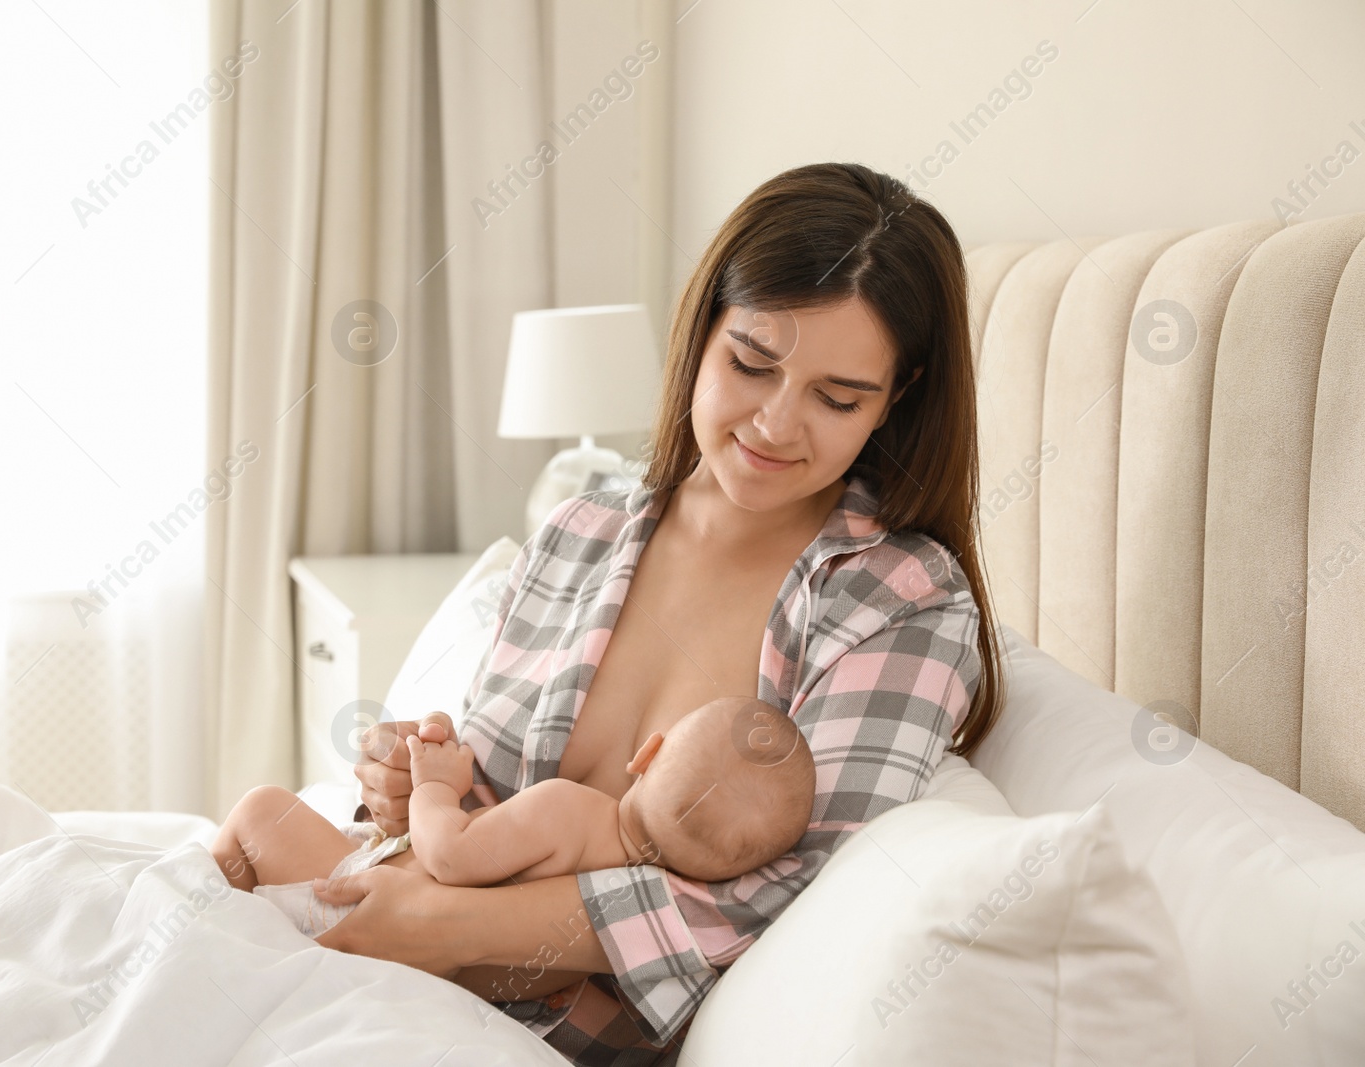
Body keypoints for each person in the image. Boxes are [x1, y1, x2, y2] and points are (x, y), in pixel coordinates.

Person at [308, 161, 1006, 1065]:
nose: (775, 425)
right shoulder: (579, 531)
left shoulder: (898, 601)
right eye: (751, 363)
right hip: (377, 972)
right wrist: (408, 788)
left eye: (839, 397)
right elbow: (479, 797)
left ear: (899, 396)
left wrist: (451, 923)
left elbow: (784, 888)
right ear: (703, 328)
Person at [211, 695, 815, 1003]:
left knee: (260, 809)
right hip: (437, 980)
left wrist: (434, 787)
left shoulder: (570, 808)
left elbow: (450, 855)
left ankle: (212, 912)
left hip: (358, 905)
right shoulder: (619, 885)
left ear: (646, 755)